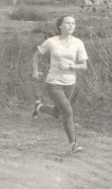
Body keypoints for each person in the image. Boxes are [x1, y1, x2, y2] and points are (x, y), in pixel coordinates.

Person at [32, 15, 88, 154]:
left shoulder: (78, 43)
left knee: (58, 113)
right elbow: (36, 56)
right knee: (68, 111)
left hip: (70, 83)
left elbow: (84, 66)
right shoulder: (51, 42)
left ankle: (39, 107)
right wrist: (35, 71)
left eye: (73, 23)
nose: (71, 26)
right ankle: (74, 145)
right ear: (60, 26)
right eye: (67, 23)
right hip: (53, 82)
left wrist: (73, 66)